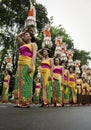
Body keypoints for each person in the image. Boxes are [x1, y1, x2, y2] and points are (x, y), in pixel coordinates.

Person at [14, 30, 37, 108]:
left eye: (27, 35)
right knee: (18, 81)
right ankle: (19, 101)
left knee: (26, 81)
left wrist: (31, 65)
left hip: (28, 64)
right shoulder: (23, 44)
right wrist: (25, 31)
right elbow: (18, 36)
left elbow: (34, 55)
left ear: (30, 37)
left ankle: (25, 101)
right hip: (20, 64)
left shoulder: (33, 44)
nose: (25, 36)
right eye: (25, 35)